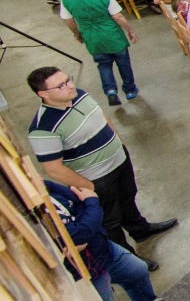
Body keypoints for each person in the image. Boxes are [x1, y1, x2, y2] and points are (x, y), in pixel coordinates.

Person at [27, 67, 177, 268]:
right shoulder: (43, 128)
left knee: (127, 198)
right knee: (110, 221)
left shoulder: (79, 95)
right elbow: (52, 168)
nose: (70, 85)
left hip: (118, 160)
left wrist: (118, 142)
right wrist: (87, 185)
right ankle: (129, 258)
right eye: (61, 85)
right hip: (97, 178)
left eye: (68, 80)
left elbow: (101, 117)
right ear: (43, 94)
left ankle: (140, 229)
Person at [47, 181, 157, 301]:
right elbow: (80, 232)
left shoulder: (42, 185)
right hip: (85, 271)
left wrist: (86, 216)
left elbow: (81, 196)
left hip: (104, 249)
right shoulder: (35, 212)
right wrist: (90, 207)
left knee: (137, 271)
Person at [59, 0, 140, 105]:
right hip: (112, 35)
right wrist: (130, 30)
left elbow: (69, 20)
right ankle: (130, 90)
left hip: (91, 36)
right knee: (123, 63)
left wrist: (77, 34)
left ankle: (110, 91)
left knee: (103, 64)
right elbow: (118, 16)